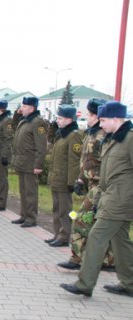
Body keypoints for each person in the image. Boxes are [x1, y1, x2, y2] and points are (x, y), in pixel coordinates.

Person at [60, 101, 133, 298]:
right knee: (121, 242)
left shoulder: (129, 139)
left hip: (120, 201)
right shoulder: (111, 139)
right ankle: (129, 283)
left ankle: (85, 284)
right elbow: (107, 174)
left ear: (116, 119)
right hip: (108, 198)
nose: (100, 124)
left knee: (96, 237)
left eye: (103, 120)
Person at [57, 98, 114, 270]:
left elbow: (107, 163)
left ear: (98, 116)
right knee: (96, 223)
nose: (87, 118)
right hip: (90, 184)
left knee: (81, 219)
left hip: (99, 187)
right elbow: (86, 160)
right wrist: (81, 178)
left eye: (90, 114)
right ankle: (108, 260)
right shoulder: (91, 133)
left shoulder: (103, 136)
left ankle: (77, 259)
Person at [46, 105, 83, 247]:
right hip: (57, 178)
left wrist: (71, 181)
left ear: (69, 119)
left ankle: (64, 235)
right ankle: (57, 233)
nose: (58, 120)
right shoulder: (62, 133)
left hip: (64, 180)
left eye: (60, 118)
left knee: (66, 210)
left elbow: (74, 161)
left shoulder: (74, 135)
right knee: (56, 208)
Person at [11, 97, 47, 227]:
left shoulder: (37, 123)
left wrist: (38, 165)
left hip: (30, 164)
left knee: (30, 192)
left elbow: (41, 146)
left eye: (24, 106)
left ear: (32, 108)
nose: (22, 108)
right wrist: (17, 114)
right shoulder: (24, 121)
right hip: (22, 163)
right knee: (23, 191)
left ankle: (31, 218)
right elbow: (14, 127)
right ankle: (24, 215)